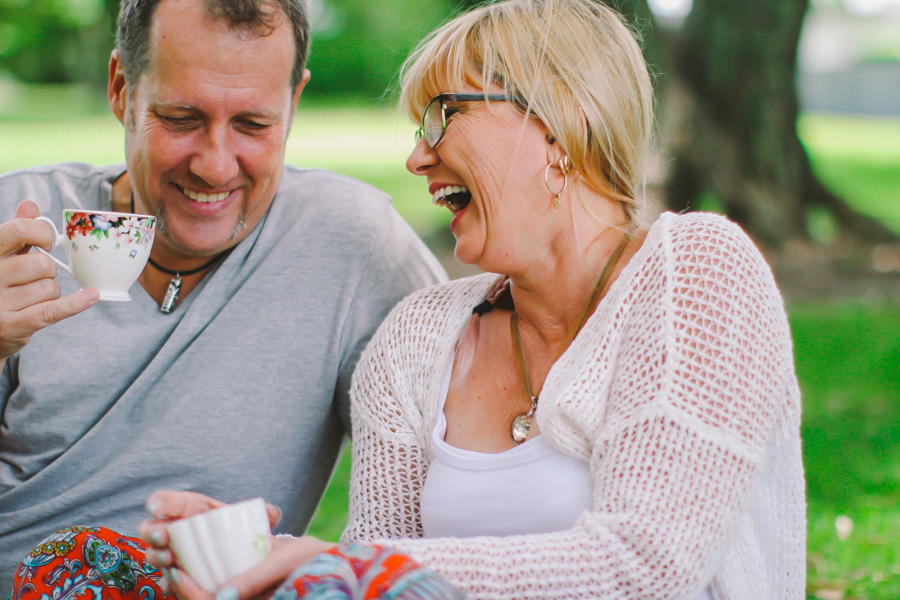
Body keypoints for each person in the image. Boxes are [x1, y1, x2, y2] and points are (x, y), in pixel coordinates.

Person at [23, 0, 807, 598]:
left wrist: (331, 564)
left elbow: (649, 567)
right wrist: (264, 565)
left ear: (561, 120)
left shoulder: (695, 271)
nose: (415, 154)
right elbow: (374, 573)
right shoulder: (421, 335)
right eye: (182, 116)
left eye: (443, 115)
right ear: (124, 91)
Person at [0, 0, 444, 596]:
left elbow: (462, 454)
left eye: (253, 125)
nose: (214, 165)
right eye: (182, 118)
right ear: (119, 90)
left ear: (294, 103)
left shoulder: (353, 245)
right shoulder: (18, 223)